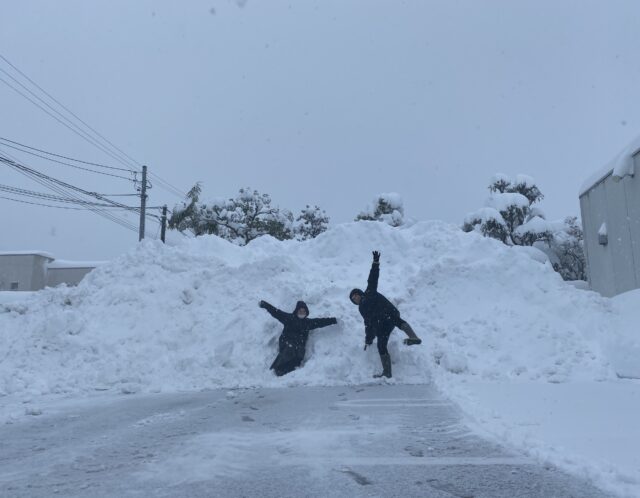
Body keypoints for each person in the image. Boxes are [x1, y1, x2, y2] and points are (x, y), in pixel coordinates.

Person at [349, 250, 422, 378]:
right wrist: (368, 339)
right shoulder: (361, 309)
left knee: (395, 320)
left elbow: (372, 278)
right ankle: (387, 372)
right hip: (380, 325)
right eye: (353, 298)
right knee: (381, 345)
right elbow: (368, 324)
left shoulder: (369, 291)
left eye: (356, 295)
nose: (355, 298)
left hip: (388, 313)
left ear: (360, 293)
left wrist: (375, 263)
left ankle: (413, 337)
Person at [259, 300, 337, 377]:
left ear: (306, 312)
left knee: (299, 354)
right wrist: (265, 305)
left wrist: (333, 320)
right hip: (286, 343)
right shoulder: (288, 318)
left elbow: (321, 322)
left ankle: (290, 373)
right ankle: (277, 369)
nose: (302, 313)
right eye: (300, 311)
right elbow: (276, 312)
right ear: (296, 311)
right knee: (289, 349)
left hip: (299, 347)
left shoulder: (308, 323)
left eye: (304, 311)